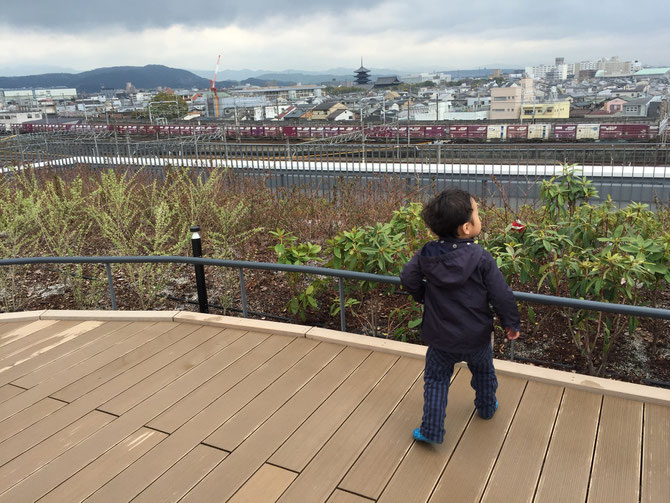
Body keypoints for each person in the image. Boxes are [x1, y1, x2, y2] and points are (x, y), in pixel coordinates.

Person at [400, 187, 520, 444]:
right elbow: (501, 293)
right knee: (484, 372)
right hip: (476, 337)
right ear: (466, 228)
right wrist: (511, 322)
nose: (480, 216)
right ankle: (487, 408)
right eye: (477, 212)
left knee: (436, 380)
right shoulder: (481, 257)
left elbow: (407, 277)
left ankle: (431, 431)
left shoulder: (426, 254)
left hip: (441, 338)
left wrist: (423, 295)